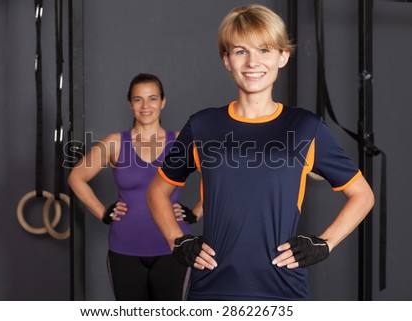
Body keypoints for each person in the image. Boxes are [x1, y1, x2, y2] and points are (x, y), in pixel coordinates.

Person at [146, 4, 375, 300]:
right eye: (241, 51)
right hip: (212, 289)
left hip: (283, 290)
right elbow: (157, 192)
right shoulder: (202, 125)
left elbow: (363, 195)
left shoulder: (306, 128)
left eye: (264, 50)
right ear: (226, 60)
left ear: (283, 56)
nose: (253, 62)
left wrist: (324, 243)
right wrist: (177, 241)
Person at [68, 73, 201, 300]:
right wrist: (103, 213)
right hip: (125, 248)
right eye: (138, 99)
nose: (145, 105)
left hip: (173, 247)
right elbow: (76, 177)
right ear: (130, 103)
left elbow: (216, 177)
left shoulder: (181, 142)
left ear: (163, 101)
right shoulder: (115, 142)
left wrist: (196, 213)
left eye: (152, 98)